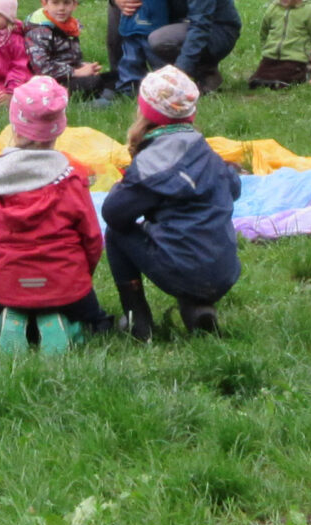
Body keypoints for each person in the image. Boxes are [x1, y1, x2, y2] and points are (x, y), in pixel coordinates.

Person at [0, 76, 116, 352]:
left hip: (11, 284)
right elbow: (91, 237)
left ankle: (4, 319)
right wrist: (81, 274)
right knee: (98, 319)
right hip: (66, 285)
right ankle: (67, 322)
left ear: (15, 125)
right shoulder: (71, 179)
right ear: (58, 129)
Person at [102, 68, 243, 338]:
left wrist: (120, 188)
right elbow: (234, 188)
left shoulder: (153, 163)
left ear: (146, 113)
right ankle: (199, 309)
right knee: (185, 233)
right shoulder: (206, 152)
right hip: (224, 271)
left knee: (118, 232)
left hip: (180, 271)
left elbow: (114, 213)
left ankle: (137, 320)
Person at [25, 0, 110, 101]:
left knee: (113, 76)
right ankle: (84, 100)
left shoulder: (69, 26)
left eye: (66, 2)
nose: (61, 8)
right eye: (55, 2)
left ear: (74, 4)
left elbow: (67, 57)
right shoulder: (38, 30)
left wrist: (82, 66)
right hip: (47, 85)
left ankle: (101, 93)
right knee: (94, 83)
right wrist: (76, 72)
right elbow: (42, 68)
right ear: (45, 4)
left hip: (67, 77)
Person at [247, 0, 311, 90]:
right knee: (259, 76)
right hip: (272, 55)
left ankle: (304, 73)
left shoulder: (308, 11)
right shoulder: (273, 9)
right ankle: (267, 79)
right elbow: (264, 30)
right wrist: (267, 47)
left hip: (295, 57)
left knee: (286, 74)